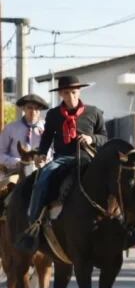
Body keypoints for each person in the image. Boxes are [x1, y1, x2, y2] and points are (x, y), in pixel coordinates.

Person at [18, 75, 107, 252]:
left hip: (88, 159)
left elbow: (105, 137)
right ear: (60, 95)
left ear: (79, 91)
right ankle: (34, 224)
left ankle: (120, 222)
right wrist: (42, 154)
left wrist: (91, 138)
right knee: (42, 178)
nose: (71, 97)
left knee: (113, 180)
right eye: (66, 93)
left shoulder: (94, 112)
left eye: (74, 92)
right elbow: (47, 138)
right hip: (63, 159)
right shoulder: (53, 115)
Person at [0, 93, 48, 170]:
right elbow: (1, 153)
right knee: (8, 181)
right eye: (30, 108)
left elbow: (54, 152)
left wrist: (44, 161)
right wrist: (16, 162)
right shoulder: (11, 128)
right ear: (23, 108)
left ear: (40, 110)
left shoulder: (47, 128)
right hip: (15, 170)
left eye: (36, 109)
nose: (33, 111)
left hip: (41, 170)